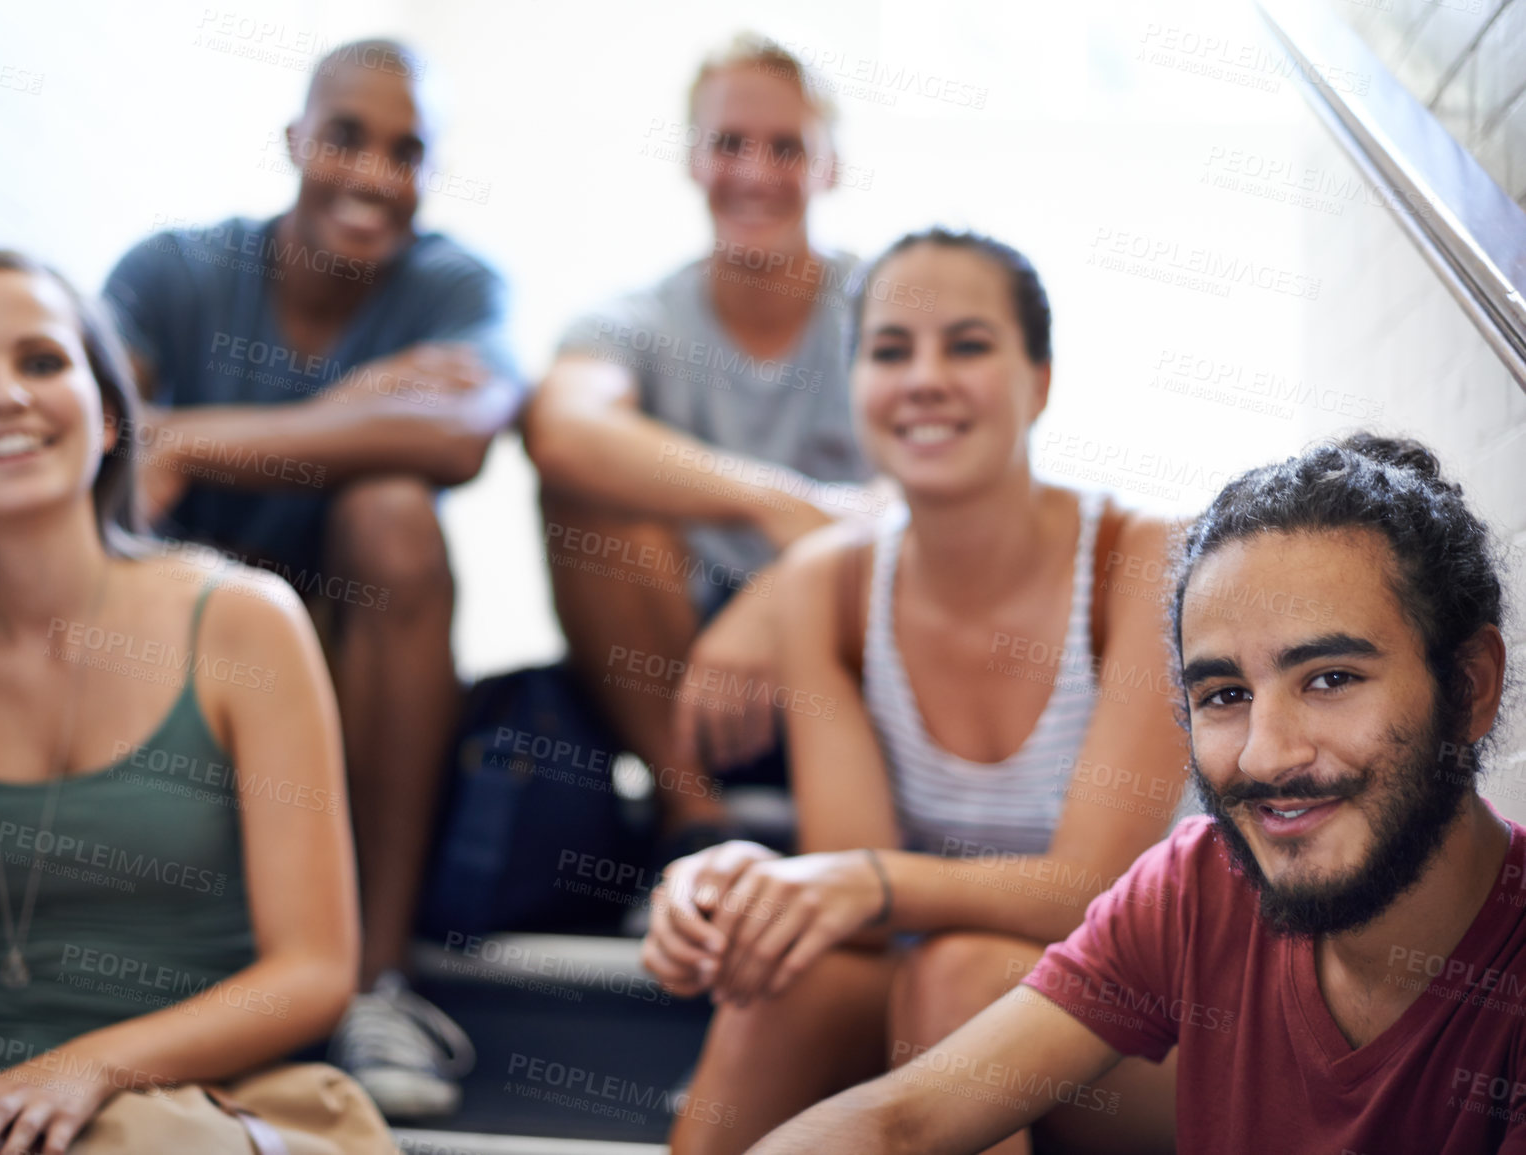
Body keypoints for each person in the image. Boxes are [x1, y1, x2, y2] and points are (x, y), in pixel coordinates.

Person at [748, 433, 1522, 1154]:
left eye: (1329, 679)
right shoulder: (1200, 883)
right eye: (1223, 694)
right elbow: (901, 1121)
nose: (1264, 753)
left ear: (1467, 686)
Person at [0, 251, 370, 1154]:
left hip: (216, 1110)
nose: (5, 396)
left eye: (41, 361)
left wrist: (90, 1066)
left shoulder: (242, 621)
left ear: (108, 415)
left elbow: (313, 969)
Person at [640, 229, 1188, 1154]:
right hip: (933, 1014)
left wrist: (861, 883)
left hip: (1157, 1022)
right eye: (890, 351)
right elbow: (850, 891)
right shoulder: (828, 583)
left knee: (962, 973)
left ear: (1039, 379)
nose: (923, 379)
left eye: (967, 345)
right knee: (787, 974)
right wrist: (741, 883)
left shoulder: (1146, 557)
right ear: (855, 387)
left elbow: (1098, 894)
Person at [101, 38, 518, 1117]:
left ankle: (376, 984)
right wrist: (361, 411)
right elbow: (108, 451)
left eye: (407, 150)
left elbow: (467, 433)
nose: (376, 175)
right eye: (347, 136)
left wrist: (190, 439)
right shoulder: (173, 270)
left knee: (393, 516)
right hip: (180, 641)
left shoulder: (455, 282)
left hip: (347, 652)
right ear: (295, 139)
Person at [522, 33, 885, 853]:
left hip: (849, 634)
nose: (754, 172)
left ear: (827, 166)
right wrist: (775, 501)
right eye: (729, 144)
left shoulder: (882, 307)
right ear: (692, 158)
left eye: (785, 147)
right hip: (680, 654)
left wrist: (777, 595)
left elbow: (940, 480)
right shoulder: (635, 319)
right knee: (581, 491)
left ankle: (857, 831)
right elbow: (562, 427)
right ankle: (690, 816)